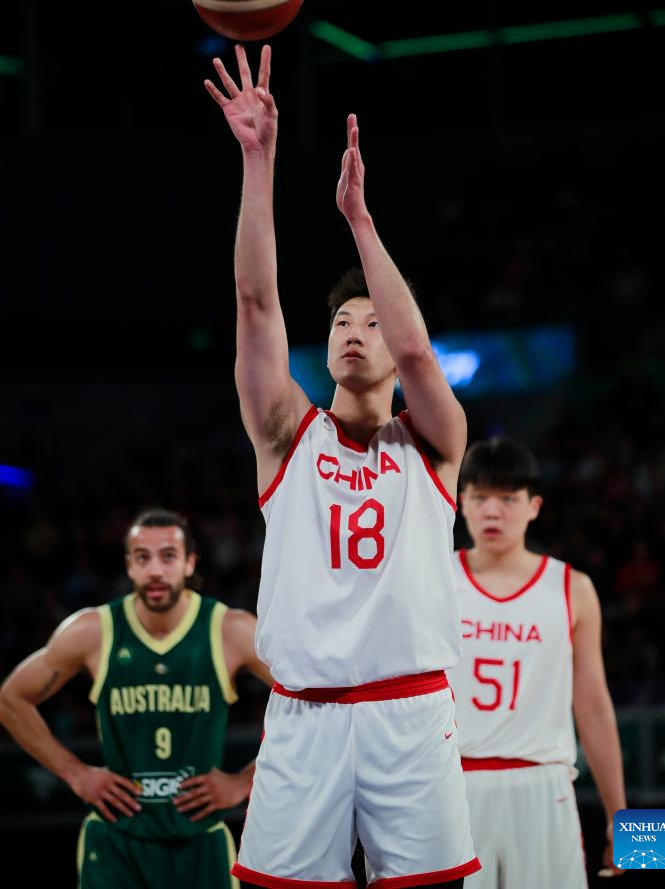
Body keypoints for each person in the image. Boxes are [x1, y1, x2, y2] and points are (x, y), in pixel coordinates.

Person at [204, 44, 480, 887]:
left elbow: (422, 353)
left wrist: (360, 220)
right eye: (339, 323)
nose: (353, 332)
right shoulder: (287, 433)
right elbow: (256, 305)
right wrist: (259, 160)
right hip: (304, 720)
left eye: (368, 322)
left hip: (409, 714)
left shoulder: (432, 443)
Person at [0, 508, 273, 889]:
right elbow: (10, 699)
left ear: (190, 562)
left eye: (168, 556)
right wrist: (74, 773)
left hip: (199, 838)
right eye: (143, 557)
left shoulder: (229, 629)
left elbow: (310, 701)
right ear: (129, 566)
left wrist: (244, 782)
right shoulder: (94, 630)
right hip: (116, 841)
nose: (156, 570)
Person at [446, 438, 627, 888]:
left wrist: (622, 820)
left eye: (508, 499)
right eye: (481, 497)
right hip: (450, 787)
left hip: (545, 787)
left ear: (534, 506)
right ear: (460, 501)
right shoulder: (434, 580)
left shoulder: (574, 587)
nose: (493, 512)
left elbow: (594, 705)